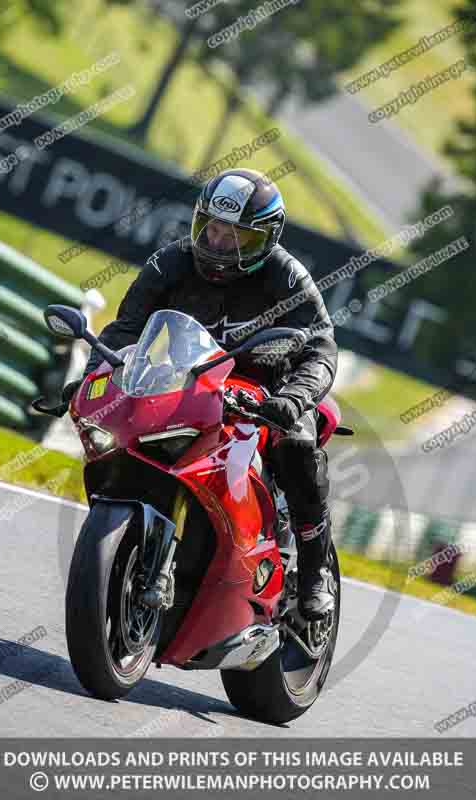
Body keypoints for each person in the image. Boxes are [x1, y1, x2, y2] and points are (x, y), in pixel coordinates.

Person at [67, 168, 338, 621]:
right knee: (128, 429)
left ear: (266, 238)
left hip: (269, 389)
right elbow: (126, 329)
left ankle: (314, 569)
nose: (218, 244)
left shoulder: (287, 276)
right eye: (211, 229)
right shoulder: (170, 262)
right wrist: (95, 374)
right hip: (187, 380)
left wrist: (293, 398)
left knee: (296, 445)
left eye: (236, 237)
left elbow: (321, 348)